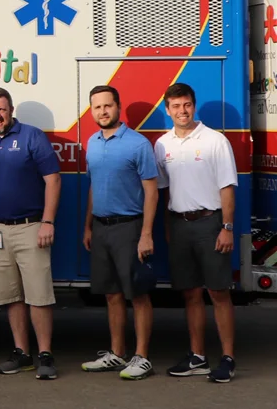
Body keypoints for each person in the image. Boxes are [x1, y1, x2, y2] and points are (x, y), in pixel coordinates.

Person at [0, 87, 61, 380]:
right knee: (11, 296)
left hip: (31, 227)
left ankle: (45, 354)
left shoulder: (32, 136)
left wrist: (48, 221)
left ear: (11, 111)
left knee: (39, 295)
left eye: (2, 109)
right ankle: (22, 353)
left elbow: (53, 180)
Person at [156, 83, 239, 383]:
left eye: (187, 104)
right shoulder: (162, 145)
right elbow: (164, 193)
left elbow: (227, 188)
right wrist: (168, 230)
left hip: (210, 224)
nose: (182, 111)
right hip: (179, 226)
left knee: (218, 293)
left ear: (194, 106)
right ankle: (198, 357)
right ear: (167, 110)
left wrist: (227, 228)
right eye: (176, 106)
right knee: (190, 294)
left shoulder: (215, 141)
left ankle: (227, 358)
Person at [81, 85, 159, 380]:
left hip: (130, 228)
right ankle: (116, 353)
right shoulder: (92, 142)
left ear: (118, 107)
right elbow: (93, 187)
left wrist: (147, 234)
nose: (102, 111)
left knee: (138, 295)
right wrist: (88, 225)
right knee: (112, 295)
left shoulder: (138, 144)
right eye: (97, 107)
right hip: (101, 229)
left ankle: (142, 357)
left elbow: (152, 193)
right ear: (92, 111)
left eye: (107, 106)